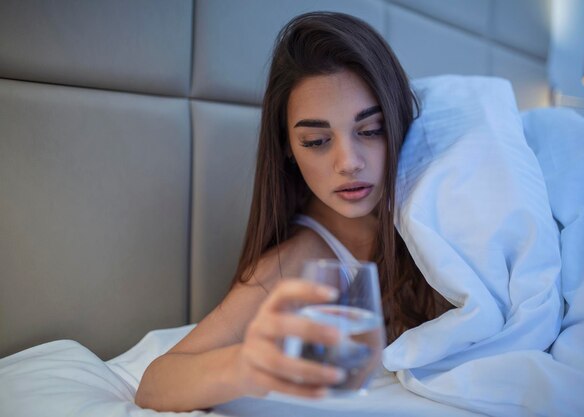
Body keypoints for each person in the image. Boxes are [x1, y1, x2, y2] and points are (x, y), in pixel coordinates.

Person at [135, 11, 451, 412]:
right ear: (287, 147)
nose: (348, 162)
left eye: (370, 130)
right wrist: (248, 362)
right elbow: (156, 384)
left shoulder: (440, 205)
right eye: (317, 141)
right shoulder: (297, 263)